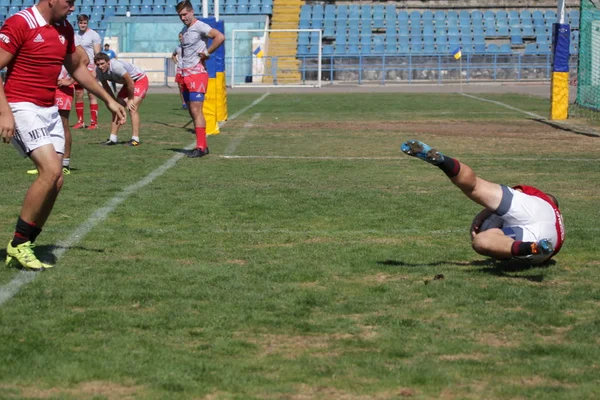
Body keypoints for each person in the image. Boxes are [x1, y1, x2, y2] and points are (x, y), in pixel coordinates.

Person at [0, 0, 127, 271]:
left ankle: (25, 242)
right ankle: (19, 244)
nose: (72, 8)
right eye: (68, 2)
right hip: (22, 106)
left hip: (49, 110)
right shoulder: (20, 23)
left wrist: (107, 99)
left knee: (56, 181)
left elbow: (77, 68)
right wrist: (4, 113)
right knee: (50, 171)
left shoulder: (64, 29)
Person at [401, 140, 565, 264]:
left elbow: (523, 193)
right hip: (550, 239)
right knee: (484, 240)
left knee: (475, 188)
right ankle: (532, 247)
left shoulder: (543, 199)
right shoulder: (557, 222)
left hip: (538, 208)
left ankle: (443, 162)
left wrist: (480, 217)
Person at [176, 0, 225, 158]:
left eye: (185, 14)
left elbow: (219, 37)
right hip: (185, 74)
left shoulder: (200, 26)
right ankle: (203, 145)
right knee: (192, 111)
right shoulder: (185, 29)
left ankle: (201, 147)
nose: (183, 18)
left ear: (191, 12)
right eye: (180, 15)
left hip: (196, 74)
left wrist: (208, 53)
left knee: (197, 110)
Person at [94, 52, 149, 146]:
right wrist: (113, 102)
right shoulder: (99, 71)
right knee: (116, 109)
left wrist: (131, 99)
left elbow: (130, 81)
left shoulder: (116, 67)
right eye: (98, 64)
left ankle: (135, 139)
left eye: (102, 63)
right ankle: (112, 139)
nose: (100, 66)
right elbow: (106, 87)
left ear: (108, 62)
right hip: (128, 83)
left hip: (139, 79)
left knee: (132, 107)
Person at [72, 13, 101, 130]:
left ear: (87, 23)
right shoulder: (74, 35)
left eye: (84, 23)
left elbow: (97, 54)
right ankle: (80, 121)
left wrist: (95, 69)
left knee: (91, 94)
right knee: (78, 94)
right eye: (80, 23)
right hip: (79, 68)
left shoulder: (94, 35)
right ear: (77, 23)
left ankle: (94, 123)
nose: (82, 25)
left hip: (90, 68)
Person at [171, 32, 187, 110]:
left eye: (182, 36)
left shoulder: (190, 46)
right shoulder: (178, 48)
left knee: (188, 86)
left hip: (188, 69)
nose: (180, 38)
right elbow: (173, 55)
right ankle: (184, 104)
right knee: (180, 87)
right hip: (180, 69)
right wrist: (176, 62)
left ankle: (190, 102)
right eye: (179, 37)